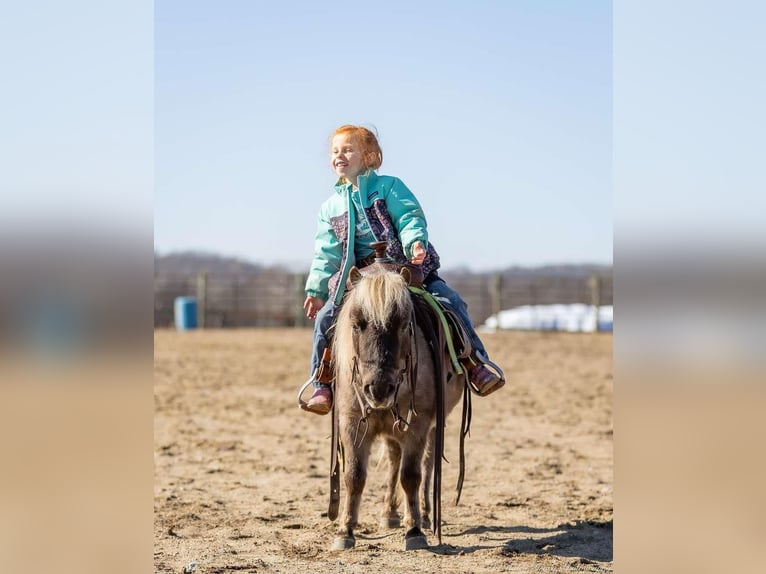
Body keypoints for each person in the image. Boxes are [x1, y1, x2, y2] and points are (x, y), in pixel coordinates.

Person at [302, 125, 503, 415]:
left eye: (347, 149)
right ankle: (322, 380)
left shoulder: (389, 188)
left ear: (369, 156)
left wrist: (415, 244)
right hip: (360, 282)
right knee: (325, 320)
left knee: (450, 303)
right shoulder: (330, 208)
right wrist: (317, 289)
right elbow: (326, 252)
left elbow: (409, 217)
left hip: (404, 271)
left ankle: (474, 363)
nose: (339, 156)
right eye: (335, 151)